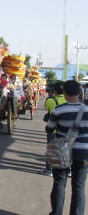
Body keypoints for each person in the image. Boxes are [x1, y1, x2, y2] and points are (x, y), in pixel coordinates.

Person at [46, 80, 88, 215]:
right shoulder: (87, 110)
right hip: (83, 152)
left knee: (59, 183)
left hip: (62, 151)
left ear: (64, 93)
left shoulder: (59, 110)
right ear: (79, 92)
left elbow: (49, 129)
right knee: (78, 187)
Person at [41, 81, 66, 177]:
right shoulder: (68, 101)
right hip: (65, 130)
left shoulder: (50, 100)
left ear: (54, 91)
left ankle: (49, 169)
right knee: (65, 149)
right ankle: (68, 169)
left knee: (51, 150)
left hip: (53, 129)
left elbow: (46, 108)